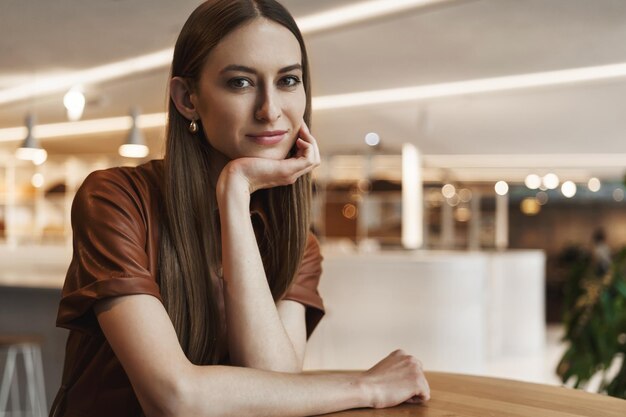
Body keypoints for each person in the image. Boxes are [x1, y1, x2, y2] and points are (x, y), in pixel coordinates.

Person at [49, 1, 430, 416]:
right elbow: (173, 399)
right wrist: (364, 388)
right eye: (240, 83)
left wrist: (235, 194)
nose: (270, 110)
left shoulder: (297, 244)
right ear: (187, 98)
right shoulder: (115, 199)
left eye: (287, 80)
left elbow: (274, 382)